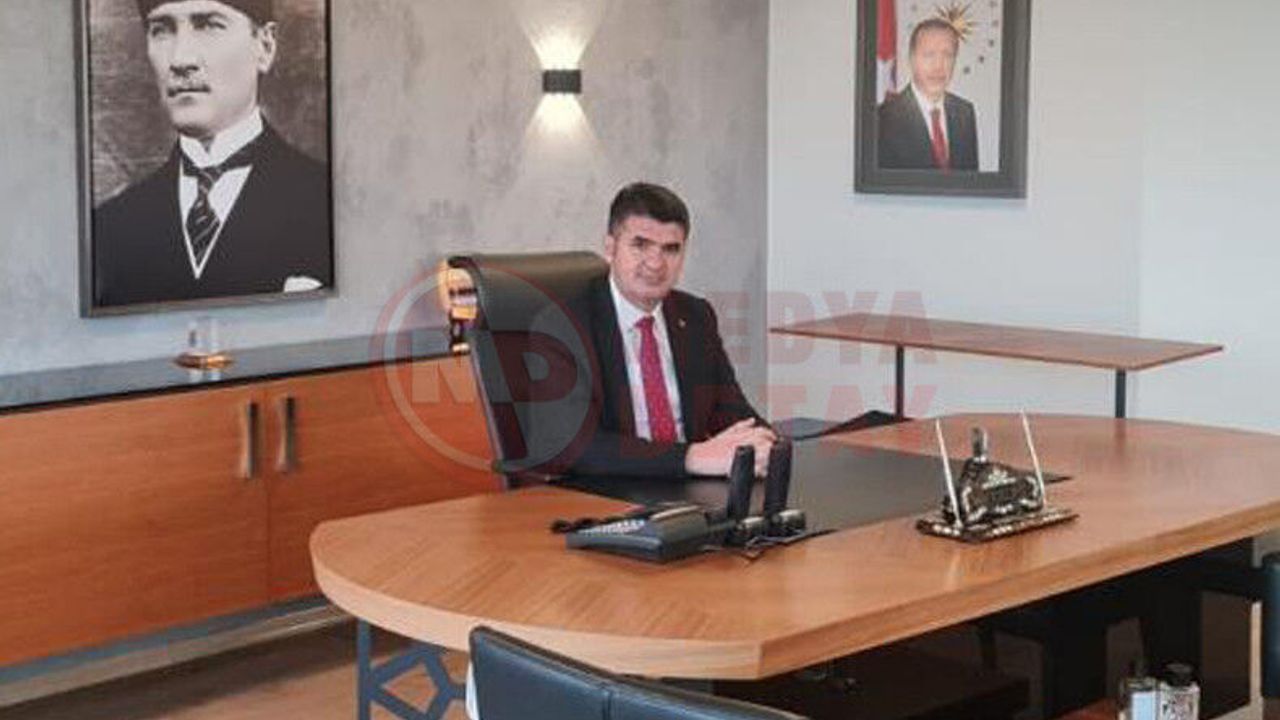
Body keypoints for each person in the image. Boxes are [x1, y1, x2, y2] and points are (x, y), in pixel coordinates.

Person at [92, 0, 331, 308]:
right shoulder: (111, 227)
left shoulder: (329, 203)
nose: (180, 59)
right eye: (161, 30)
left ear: (265, 46)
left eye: (208, 25)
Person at [530, 182, 776, 479]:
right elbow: (575, 447)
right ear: (610, 248)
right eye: (641, 245)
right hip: (608, 491)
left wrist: (766, 445)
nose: (656, 264)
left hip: (691, 488)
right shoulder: (562, 324)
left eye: (670, 249)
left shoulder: (695, 316)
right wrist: (690, 457)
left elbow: (732, 412)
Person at [876, 18, 978, 172]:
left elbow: (971, 182)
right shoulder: (883, 118)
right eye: (929, 55)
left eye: (947, 55)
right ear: (912, 60)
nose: (938, 66)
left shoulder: (965, 112)